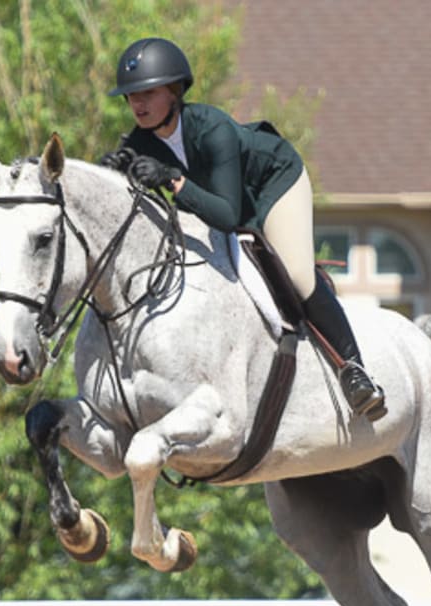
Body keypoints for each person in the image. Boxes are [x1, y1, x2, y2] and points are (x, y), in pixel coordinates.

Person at [100, 37, 386, 421]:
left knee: (298, 276)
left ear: (174, 92)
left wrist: (172, 181)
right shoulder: (139, 142)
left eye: (149, 92)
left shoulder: (212, 127)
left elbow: (226, 215)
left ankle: (355, 370)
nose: (138, 103)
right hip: (229, 200)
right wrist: (113, 172)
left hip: (274, 184)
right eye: (132, 95)